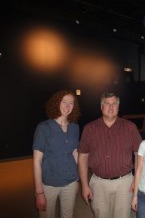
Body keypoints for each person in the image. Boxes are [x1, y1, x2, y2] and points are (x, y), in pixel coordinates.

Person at [78, 91, 142, 218]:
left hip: (124, 183)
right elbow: (82, 157)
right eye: (107, 104)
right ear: (101, 107)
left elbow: (139, 154)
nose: (111, 107)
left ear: (118, 107)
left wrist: (136, 180)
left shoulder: (130, 127)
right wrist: (84, 185)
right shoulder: (89, 128)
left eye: (114, 104)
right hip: (98, 183)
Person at [32, 90, 81, 218]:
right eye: (64, 102)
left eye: (71, 103)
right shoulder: (43, 127)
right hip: (49, 184)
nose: (67, 106)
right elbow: (37, 161)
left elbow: (75, 154)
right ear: (56, 103)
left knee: (68, 215)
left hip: (70, 182)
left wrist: (76, 180)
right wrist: (39, 192)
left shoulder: (75, 128)